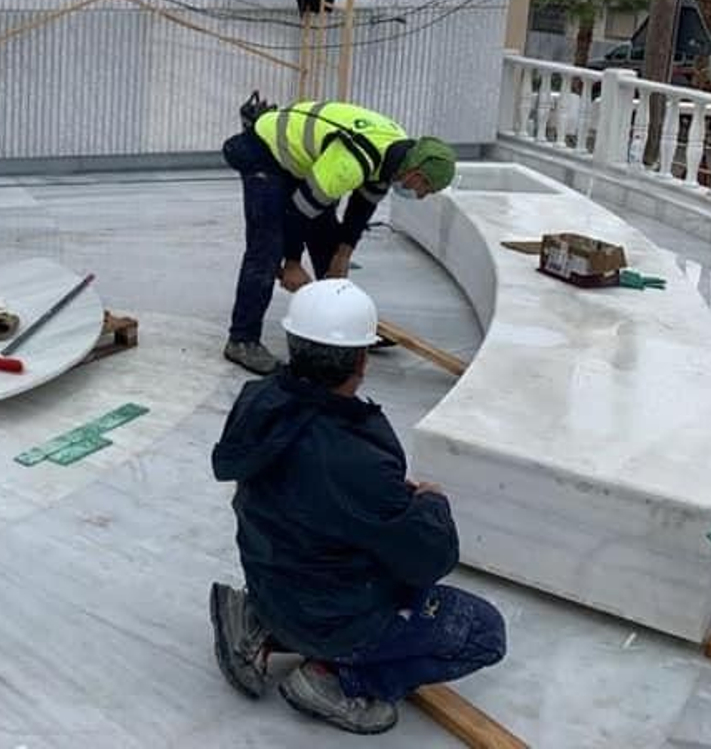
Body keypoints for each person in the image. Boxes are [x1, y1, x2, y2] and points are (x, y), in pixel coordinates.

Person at [208, 280, 505, 735]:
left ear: (294, 343)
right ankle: (337, 681)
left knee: (322, 540)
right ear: (362, 359)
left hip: (271, 580)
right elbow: (429, 560)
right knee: (484, 632)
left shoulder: (259, 401)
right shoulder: (355, 456)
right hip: (328, 615)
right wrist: (431, 505)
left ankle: (257, 621)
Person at [222, 100, 456, 375]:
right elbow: (297, 212)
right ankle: (242, 339)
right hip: (263, 151)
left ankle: (342, 323)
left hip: (302, 158)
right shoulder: (350, 163)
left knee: (329, 244)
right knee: (267, 248)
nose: (420, 195)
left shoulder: (396, 155)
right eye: (425, 187)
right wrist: (293, 263)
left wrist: (343, 255)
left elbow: (362, 207)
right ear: (415, 173)